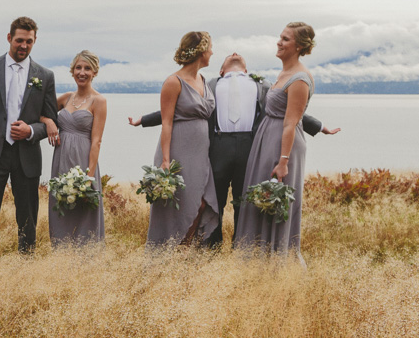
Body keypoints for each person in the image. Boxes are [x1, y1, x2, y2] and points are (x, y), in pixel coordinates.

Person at [129, 52, 338, 247]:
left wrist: (319, 127)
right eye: (229, 55)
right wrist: (143, 120)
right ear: (220, 71)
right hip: (218, 145)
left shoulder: (263, 85)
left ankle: (243, 246)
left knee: (245, 200)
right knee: (214, 198)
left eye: (238, 54)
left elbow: (288, 109)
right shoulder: (208, 85)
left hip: (250, 146)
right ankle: (211, 245)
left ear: (247, 71)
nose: (235, 52)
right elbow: (177, 107)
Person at [0, 16, 59, 257]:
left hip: (27, 154)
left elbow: (50, 117)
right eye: (19, 40)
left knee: (27, 215)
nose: (23, 46)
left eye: (29, 41)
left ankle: (26, 263)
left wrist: (31, 131)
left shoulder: (45, 76)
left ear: (35, 41)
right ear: (9, 38)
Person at [234, 22, 317, 264]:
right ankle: (256, 261)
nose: (279, 42)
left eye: (286, 39)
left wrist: (283, 161)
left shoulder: (300, 78)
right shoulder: (283, 73)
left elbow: (291, 123)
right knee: (261, 200)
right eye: (280, 37)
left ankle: (280, 263)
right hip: (266, 140)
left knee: (276, 201)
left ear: (299, 46)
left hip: (284, 145)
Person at [147, 31, 220, 247]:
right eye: (210, 48)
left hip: (200, 153)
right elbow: (167, 123)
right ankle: (168, 252)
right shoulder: (173, 81)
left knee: (202, 203)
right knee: (180, 205)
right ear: (200, 51)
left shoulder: (203, 80)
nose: (212, 52)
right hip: (178, 151)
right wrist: (166, 159)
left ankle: (184, 251)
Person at [46, 51, 107, 246]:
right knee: (61, 205)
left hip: (84, 162)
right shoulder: (65, 98)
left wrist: (88, 176)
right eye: (78, 68)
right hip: (61, 160)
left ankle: (87, 257)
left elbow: (96, 141)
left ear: (94, 72)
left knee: (84, 209)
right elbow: (40, 113)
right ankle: (61, 253)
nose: (82, 72)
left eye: (87, 68)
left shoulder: (99, 101)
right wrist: (49, 121)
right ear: (72, 72)